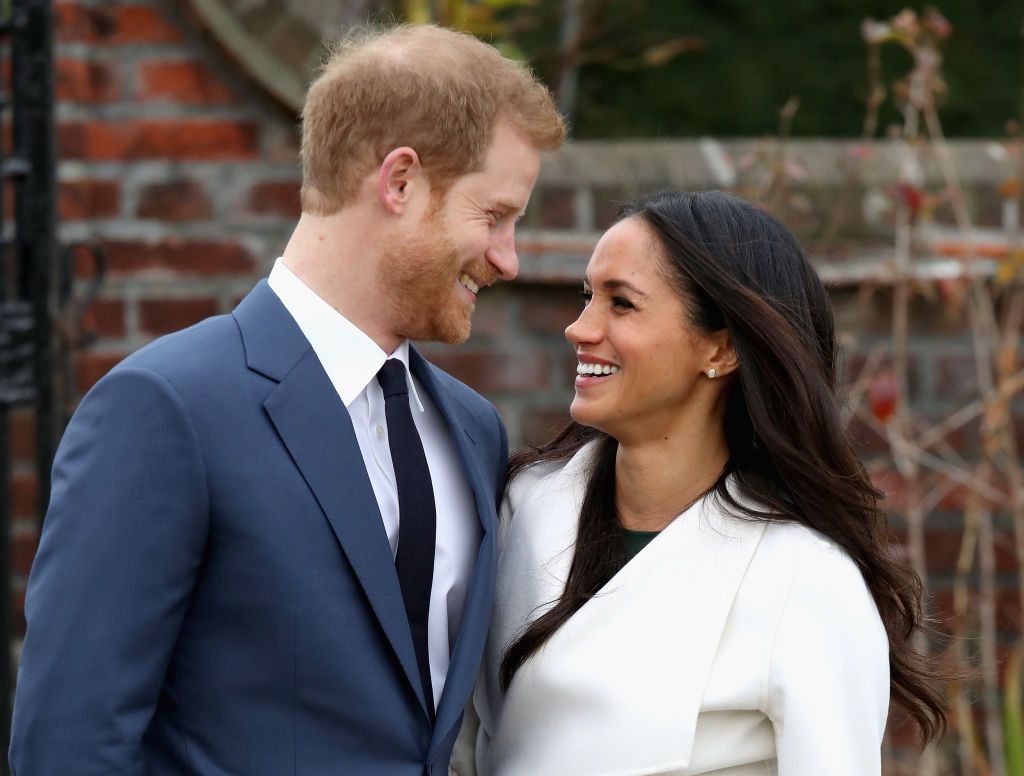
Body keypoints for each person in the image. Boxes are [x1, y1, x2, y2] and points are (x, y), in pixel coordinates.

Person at [10, 24, 564, 775]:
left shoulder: (472, 431)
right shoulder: (166, 408)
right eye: (493, 216)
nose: (508, 258)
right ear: (400, 182)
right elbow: (69, 747)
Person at [456, 190, 945, 775]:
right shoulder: (521, 509)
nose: (579, 328)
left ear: (721, 347)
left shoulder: (804, 580)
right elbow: (459, 744)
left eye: (622, 304)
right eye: (589, 296)